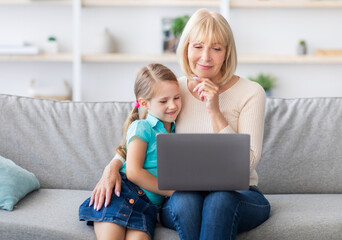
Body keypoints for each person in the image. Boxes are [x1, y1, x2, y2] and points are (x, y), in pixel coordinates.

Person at [90, 8, 271, 240]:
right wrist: (112, 166)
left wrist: (214, 110)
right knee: (186, 199)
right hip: (183, 195)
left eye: (216, 48)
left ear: (226, 53)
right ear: (186, 48)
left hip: (239, 195)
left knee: (220, 199)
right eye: (198, 46)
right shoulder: (174, 90)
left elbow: (246, 163)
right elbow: (141, 128)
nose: (205, 57)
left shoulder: (250, 92)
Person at [78, 63, 182, 240]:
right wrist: (174, 191)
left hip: (146, 207)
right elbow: (134, 172)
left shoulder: (177, 131)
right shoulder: (142, 128)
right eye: (164, 101)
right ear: (144, 103)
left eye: (177, 98)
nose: (172, 105)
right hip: (122, 194)